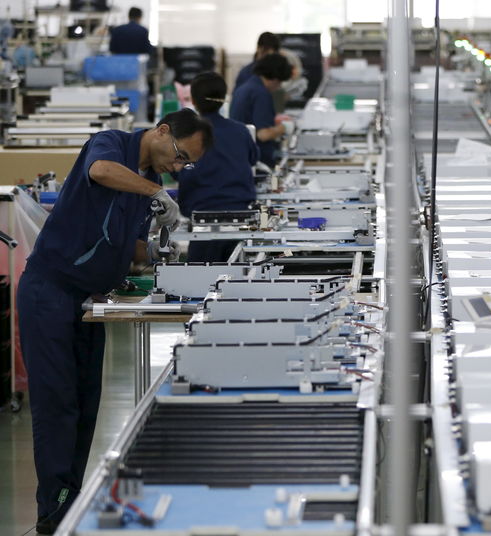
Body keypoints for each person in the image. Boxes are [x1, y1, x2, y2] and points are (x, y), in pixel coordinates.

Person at [17, 109, 212, 535]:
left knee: (86, 406)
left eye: (186, 165)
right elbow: (101, 172)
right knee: (57, 407)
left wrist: (160, 255)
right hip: (49, 292)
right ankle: (52, 513)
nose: (178, 168)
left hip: (88, 300)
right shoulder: (111, 144)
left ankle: (70, 505)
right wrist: (155, 195)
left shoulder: (152, 184)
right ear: (161, 131)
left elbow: (130, 247)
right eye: (179, 156)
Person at [177, 72, 258, 262]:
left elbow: (176, 169)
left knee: (199, 280)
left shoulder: (188, 135)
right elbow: (253, 159)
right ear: (223, 100)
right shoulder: (240, 130)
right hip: (241, 216)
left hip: (202, 219)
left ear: (194, 102)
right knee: (238, 277)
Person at [230, 53, 293, 167]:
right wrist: (284, 127)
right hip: (258, 161)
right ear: (275, 78)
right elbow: (263, 135)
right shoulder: (261, 93)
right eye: (280, 82)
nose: (278, 87)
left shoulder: (244, 88)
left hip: (241, 156)